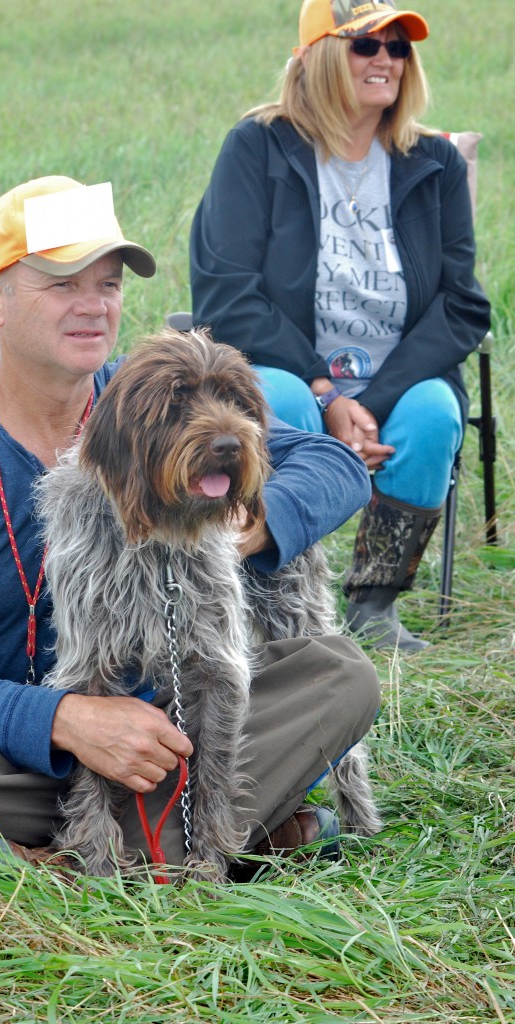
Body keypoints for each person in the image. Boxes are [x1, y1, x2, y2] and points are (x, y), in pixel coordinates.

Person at [0, 174, 380, 872]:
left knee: (341, 674)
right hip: (14, 756)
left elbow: (333, 465)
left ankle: (68, 857)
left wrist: (253, 522)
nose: (93, 306)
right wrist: (66, 721)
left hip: (170, 737)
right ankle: (200, 836)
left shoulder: (149, 396)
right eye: (62, 285)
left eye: (109, 284)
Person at [190, 0, 491, 652]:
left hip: (396, 378)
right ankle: (277, 600)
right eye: (365, 44)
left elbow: (462, 303)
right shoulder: (259, 148)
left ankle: (372, 605)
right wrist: (325, 393)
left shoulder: (434, 162)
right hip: (290, 370)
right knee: (280, 401)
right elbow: (225, 292)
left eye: (398, 46)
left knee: (433, 412)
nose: (386, 58)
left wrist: (371, 403)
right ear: (318, 57)